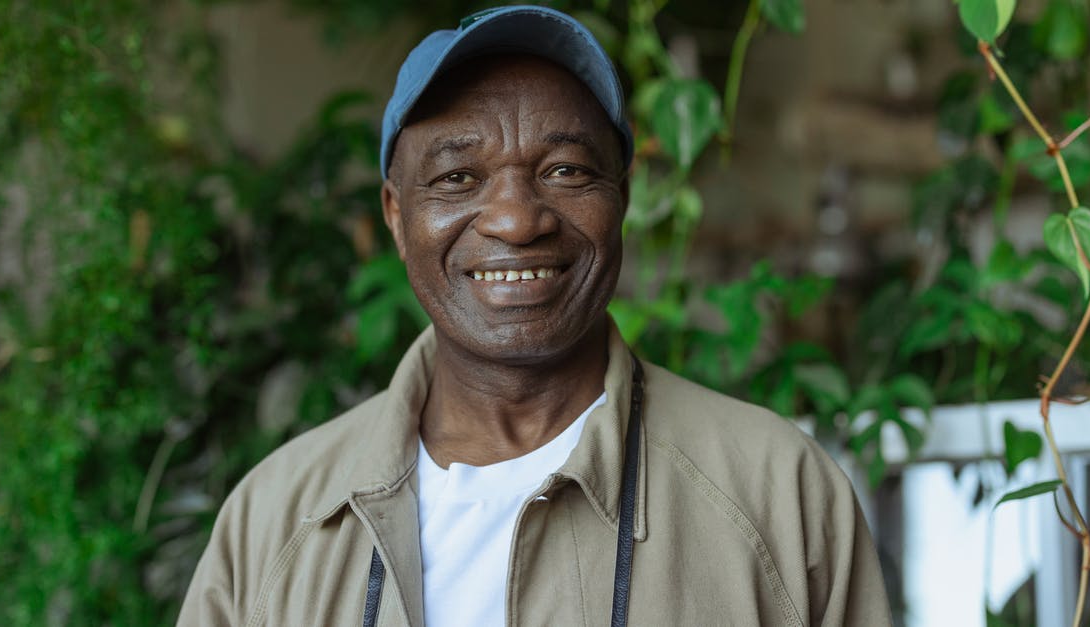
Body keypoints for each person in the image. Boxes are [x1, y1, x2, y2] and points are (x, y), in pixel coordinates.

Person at [178, 6, 891, 626]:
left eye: (566, 171)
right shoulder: (275, 520)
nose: (517, 220)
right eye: (459, 177)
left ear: (623, 195)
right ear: (398, 215)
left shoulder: (774, 493)